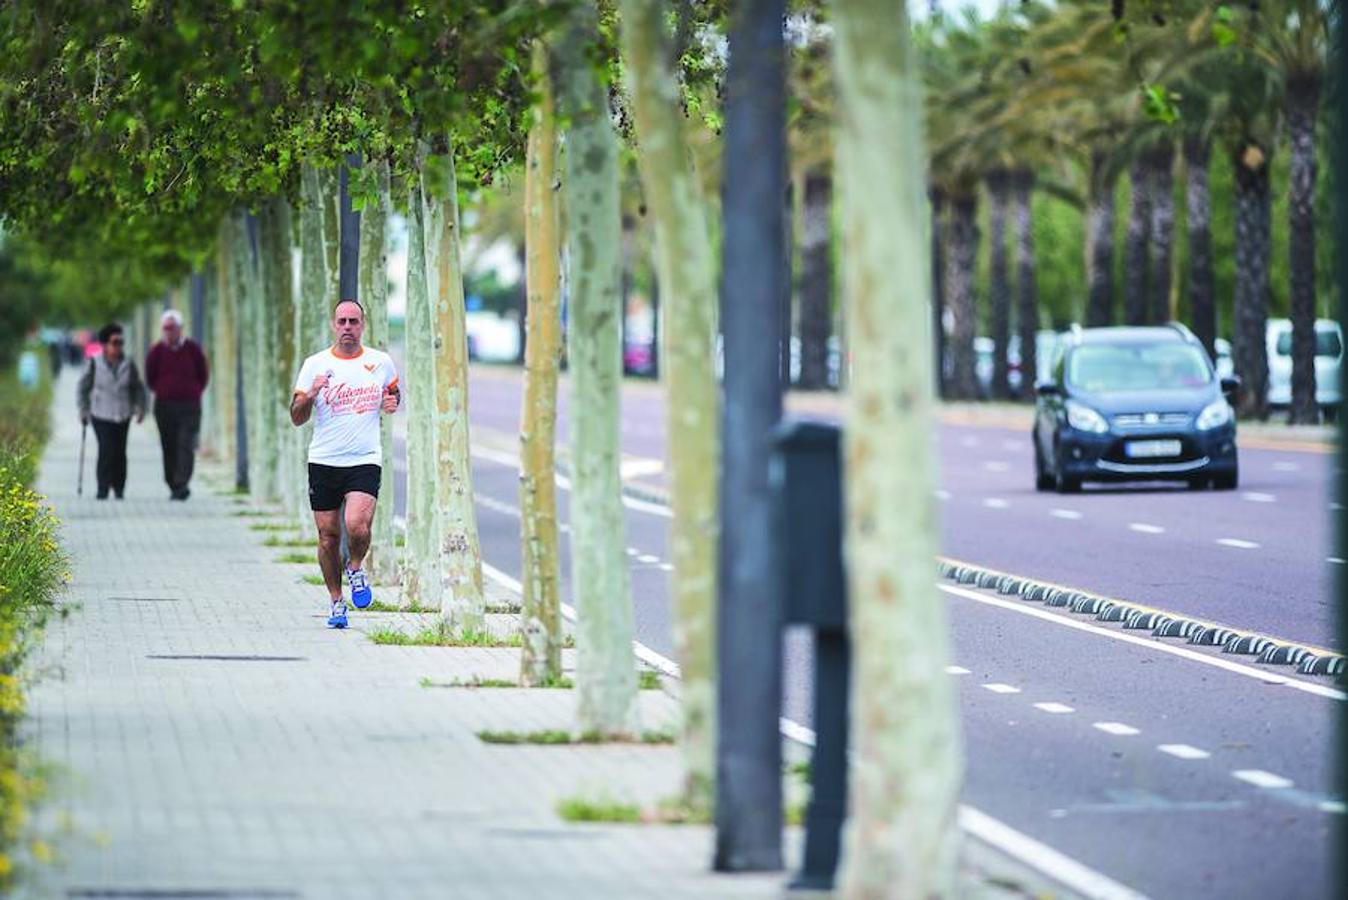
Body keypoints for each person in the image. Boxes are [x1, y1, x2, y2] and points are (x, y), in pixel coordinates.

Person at [290, 299, 401, 629]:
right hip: (324, 460)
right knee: (327, 536)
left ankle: (354, 567)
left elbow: (394, 392)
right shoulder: (315, 364)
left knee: (357, 526)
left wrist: (392, 401)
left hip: (364, 459)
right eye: (343, 321)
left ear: (363, 325)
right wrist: (309, 394)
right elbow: (296, 417)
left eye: (354, 321)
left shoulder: (380, 362)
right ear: (333, 325)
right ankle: (337, 602)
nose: (348, 327)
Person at [76, 323, 147, 500]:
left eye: (121, 342)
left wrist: (140, 408)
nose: (118, 346)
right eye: (115, 342)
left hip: (123, 414)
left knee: (120, 452)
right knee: (106, 450)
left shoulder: (129, 364)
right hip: (101, 413)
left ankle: (119, 487)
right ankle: (103, 487)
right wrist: (83, 410)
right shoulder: (94, 362)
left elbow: (137, 388)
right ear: (105, 344)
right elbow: (82, 388)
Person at [145, 309, 209, 500]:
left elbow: (203, 374)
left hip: (189, 405)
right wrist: (162, 389)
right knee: (169, 444)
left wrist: (194, 390)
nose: (169, 332)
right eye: (165, 328)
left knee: (185, 444)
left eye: (172, 328)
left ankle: (182, 482)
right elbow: (150, 376)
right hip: (164, 406)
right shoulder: (156, 351)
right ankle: (173, 483)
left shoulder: (193, 349)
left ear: (180, 329)